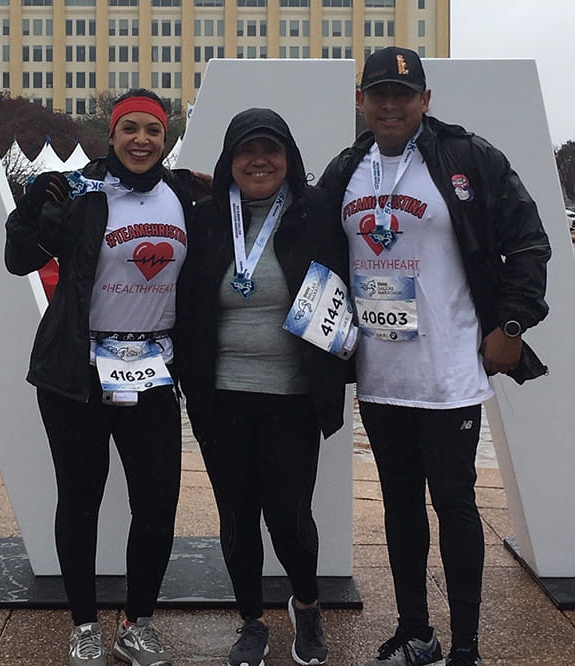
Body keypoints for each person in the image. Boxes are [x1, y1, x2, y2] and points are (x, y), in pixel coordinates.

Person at [318, 47, 551, 666]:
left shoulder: (468, 158)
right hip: (379, 374)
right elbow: (300, 229)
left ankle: (467, 646)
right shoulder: (347, 168)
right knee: (398, 507)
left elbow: (530, 242)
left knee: (454, 502)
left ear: (425, 100)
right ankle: (416, 632)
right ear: (361, 101)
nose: (390, 104)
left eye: (404, 93)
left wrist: (512, 322)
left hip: (448, 374)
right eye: (379, 94)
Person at [5, 89, 200, 666]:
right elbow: (20, 259)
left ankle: (137, 623)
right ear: (111, 135)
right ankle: (84, 624)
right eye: (130, 129)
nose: (141, 140)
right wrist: (29, 209)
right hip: (78, 373)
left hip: (154, 373)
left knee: (158, 502)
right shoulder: (82, 192)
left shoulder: (185, 194)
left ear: (165, 139)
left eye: (154, 131)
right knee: (80, 499)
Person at [177, 107, 351, 666]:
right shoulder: (205, 219)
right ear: (229, 161)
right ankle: (251, 620)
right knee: (236, 517)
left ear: (289, 159)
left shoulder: (316, 211)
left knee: (289, 516)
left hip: (293, 398)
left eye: (270, 150)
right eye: (245, 151)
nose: (258, 161)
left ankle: (307, 606)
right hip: (221, 397)